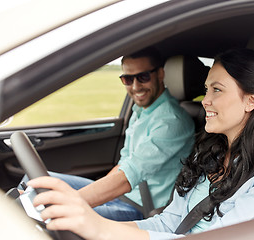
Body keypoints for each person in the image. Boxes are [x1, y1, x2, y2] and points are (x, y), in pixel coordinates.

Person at [28, 48, 254, 240]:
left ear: (250, 100)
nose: (205, 100)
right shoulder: (211, 152)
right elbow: (168, 222)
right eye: (206, 89)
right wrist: (108, 230)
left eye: (217, 90)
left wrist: (100, 228)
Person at [20, 47, 195, 222]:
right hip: (119, 195)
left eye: (143, 77)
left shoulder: (172, 122)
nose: (135, 86)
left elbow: (127, 177)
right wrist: (98, 193)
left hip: (138, 207)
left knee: (47, 215)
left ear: (160, 74)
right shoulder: (142, 110)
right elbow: (124, 162)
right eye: (127, 79)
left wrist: (68, 202)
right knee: (35, 182)